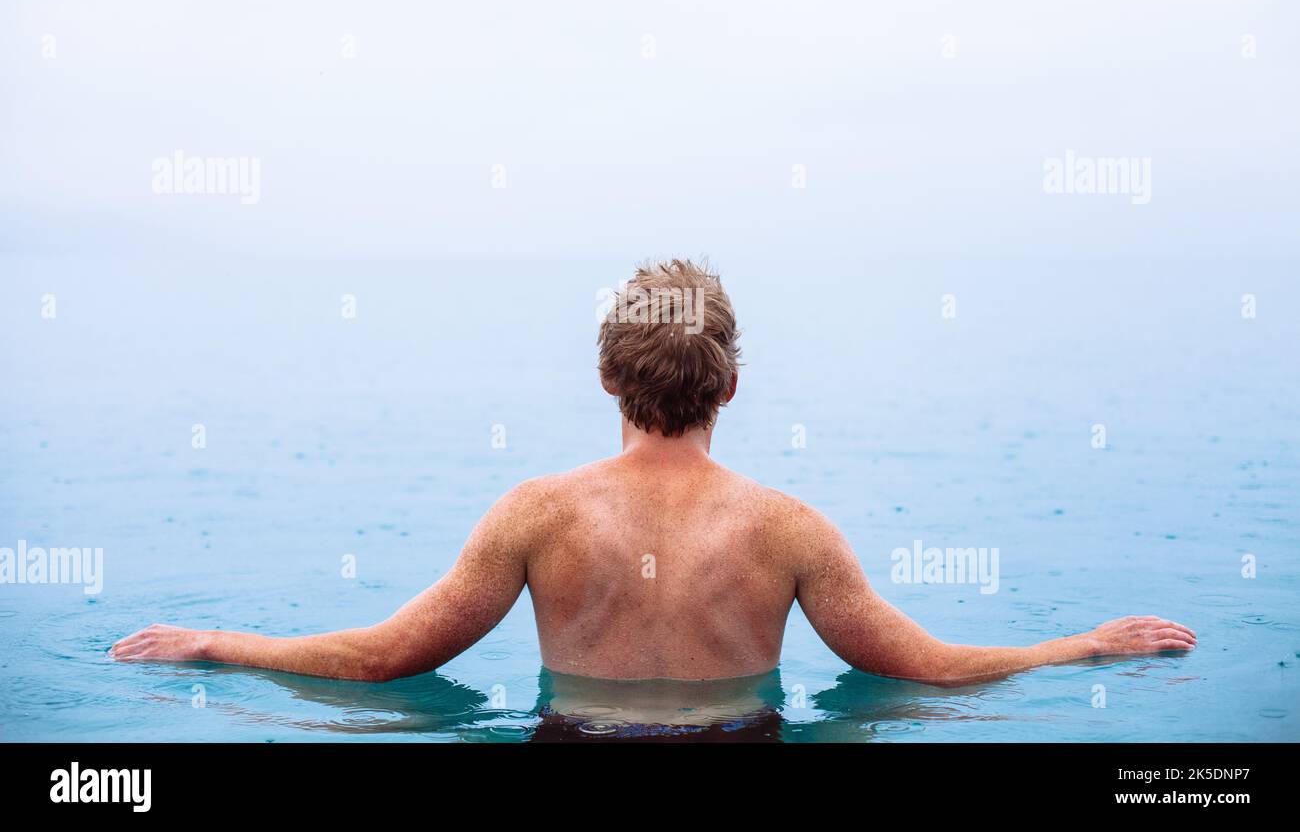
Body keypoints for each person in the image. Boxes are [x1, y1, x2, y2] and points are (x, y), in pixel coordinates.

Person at [112, 260, 1196, 685]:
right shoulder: (791, 530)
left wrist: (219, 640)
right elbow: (928, 667)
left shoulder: (533, 513)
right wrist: (1084, 643)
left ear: (606, 379)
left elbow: (384, 655)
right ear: (730, 387)